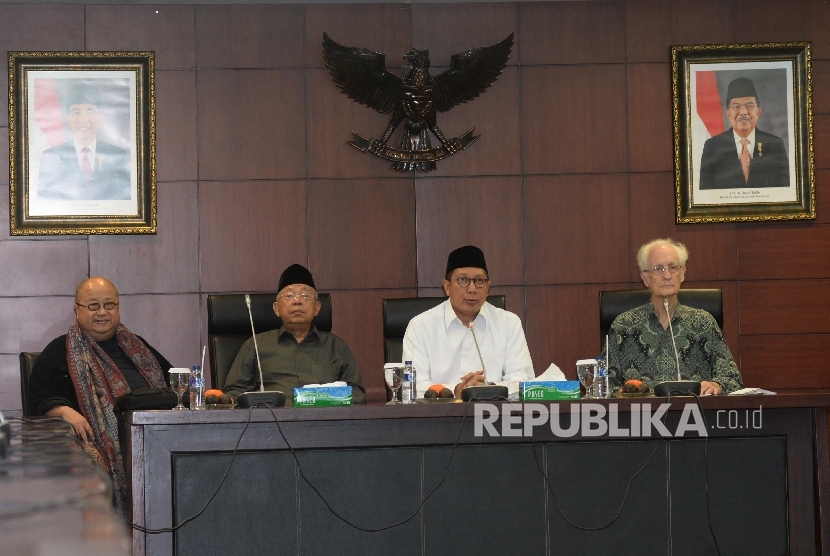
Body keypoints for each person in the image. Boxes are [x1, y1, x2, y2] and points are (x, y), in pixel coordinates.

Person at [28, 277, 172, 515]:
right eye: (93, 306)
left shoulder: (139, 347)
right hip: (95, 445)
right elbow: (38, 398)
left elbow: (174, 387)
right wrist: (65, 411)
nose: (102, 312)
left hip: (155, 438)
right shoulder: (59, 351)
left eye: (109, 305)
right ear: (77, 311)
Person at [606, 239, 743, 396]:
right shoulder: (623, 326)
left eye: (673, 267)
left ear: (683, 273)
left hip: (695, 416)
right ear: (645, 277)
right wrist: (622, 392)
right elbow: (605, 385)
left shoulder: (703, 322)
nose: (667, 275)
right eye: (658, 269)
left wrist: (717, 385)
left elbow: (733, 380)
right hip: (641, 417)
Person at [402, 245, 534, 399]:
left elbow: (524, 382)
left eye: (479, 281)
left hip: (494, 418)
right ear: (447, 287)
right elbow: (412, 387)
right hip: (439, 420)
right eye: (463, 280)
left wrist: (488, 388)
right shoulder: (420, 327)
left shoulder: (509, 323)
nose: (472, 289)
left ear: (488, 287)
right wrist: (457, 391)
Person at [224, 264, 366, 405]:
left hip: (324, 423)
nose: (297, 301)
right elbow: (236, 392)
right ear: (276, 309)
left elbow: (358, 395)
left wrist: (322, 399)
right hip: (272, 423)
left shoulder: (336, 347)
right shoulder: (255, 345)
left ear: (317, 308)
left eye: (305, 296)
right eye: (290, 295)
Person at [37, 83, 132, 201]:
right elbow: (45, 202)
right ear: (68, 119)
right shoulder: (51, 157)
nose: (84, 120)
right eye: (76, 112)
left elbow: (125, 200)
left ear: (99, 117)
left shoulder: (117, 155)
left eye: (90, 111)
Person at [699, 77, 789, 190]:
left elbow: (785, 190)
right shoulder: (712, 147)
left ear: (758, 112)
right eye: (736, 107)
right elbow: (705, 193)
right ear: (728, 113)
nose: (743, 112)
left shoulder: (775, 145)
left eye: (750, 106)